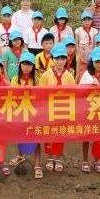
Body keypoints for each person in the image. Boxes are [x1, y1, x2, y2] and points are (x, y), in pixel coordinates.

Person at [40, 43, 76, 173]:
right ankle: (50, 157)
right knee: (49, 133)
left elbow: (74, 94)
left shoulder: (69, 75)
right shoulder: (46, 75)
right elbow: (41, 93)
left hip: (64, 109)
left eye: (63, 58)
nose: (60, 61)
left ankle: (58, 157)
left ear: (66, 59)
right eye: (57, 58)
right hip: (49, 109)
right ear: (53, 59)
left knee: (60, 134)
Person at [8, 52, 42, 178]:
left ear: (33, 66)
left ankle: (38, 164)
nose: (26, 67)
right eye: (24, 64)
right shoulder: (15, 79)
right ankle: (21, 156)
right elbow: (12, 96)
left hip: (34, 113)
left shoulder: (37, 79)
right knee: (20, 135)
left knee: (36, 137)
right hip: (20, 112)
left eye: (29, 64)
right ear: (20, 65)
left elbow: (42, 97)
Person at [75, 10, 98, 81]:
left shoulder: (95, 31)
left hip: (91, 53)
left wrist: (93, 55)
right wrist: (79, 55)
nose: (87, 22)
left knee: (90, 71)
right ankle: (77, 86)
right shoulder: (78, 30)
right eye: (85, 20)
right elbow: (76, 43)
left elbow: (95, 44)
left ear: (91, 21)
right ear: (82, 21)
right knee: (79, 71)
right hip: (81, 53)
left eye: (89, 20)